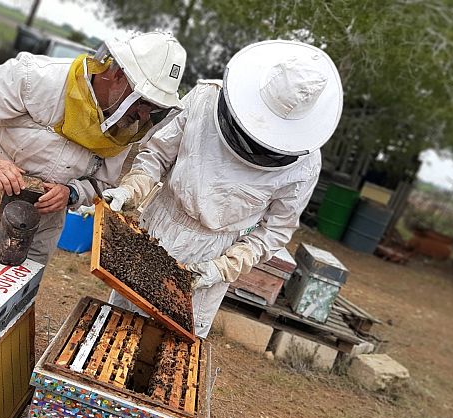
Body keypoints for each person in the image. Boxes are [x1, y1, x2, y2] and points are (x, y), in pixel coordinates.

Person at [103, 40, 344, 337]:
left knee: (175, 345)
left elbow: (276, 230)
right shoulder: (206, 98)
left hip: (213, 256)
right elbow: (157, 155)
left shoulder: (304, 165)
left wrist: (225, 267)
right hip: (158, 226)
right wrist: (131, 189)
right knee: (118, 324)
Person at [0, 32, 186, 264]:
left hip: (42, 224)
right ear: (119, 76)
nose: (144, 114)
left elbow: (103, 183)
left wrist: (71, 193)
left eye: (153, 107)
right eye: (143, 101)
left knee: (14, 295)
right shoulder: (41, 77)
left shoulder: (124, 127)